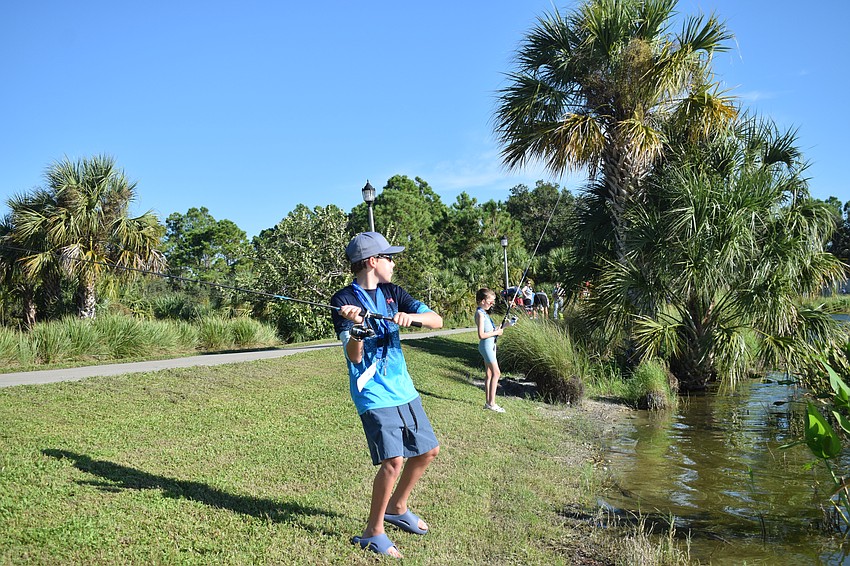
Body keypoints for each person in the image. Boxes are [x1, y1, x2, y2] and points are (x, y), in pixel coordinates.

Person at [331, 231, 443, 559]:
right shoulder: (342, 301)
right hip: (373, 393)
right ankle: (373, 531)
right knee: (393, 461)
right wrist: (356, 332)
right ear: (372, 261)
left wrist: (414, 318)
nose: (393, 263)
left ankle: (397, 507)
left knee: (428, 451)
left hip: (403, 388)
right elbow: (353, 356)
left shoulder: (393, 293)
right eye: (388, 257)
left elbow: (437, 320)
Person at [475, 288, 514, 413]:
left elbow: (490, 331)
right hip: (487, 347)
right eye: (490, 302)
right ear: (482, 301)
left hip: (489, 346)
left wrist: (505, 326)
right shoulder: (480, 314)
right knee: (497, 373)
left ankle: (488, 402)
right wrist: (497, 332)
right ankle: (492, 404)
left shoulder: (484, 313)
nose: (492, 304)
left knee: (490, 374)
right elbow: (481, 335)